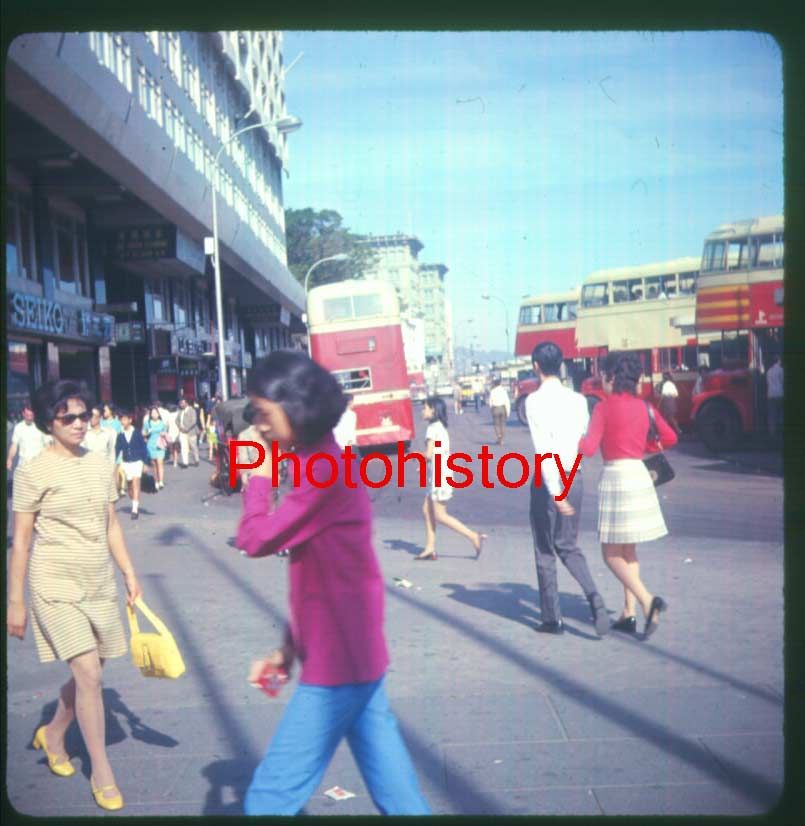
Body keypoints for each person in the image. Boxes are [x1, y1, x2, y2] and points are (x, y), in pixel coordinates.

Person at [235, 351, 431, 816]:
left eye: (264, 414)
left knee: (267, 801)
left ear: (296, 404)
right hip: (355, 655)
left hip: (338, 665)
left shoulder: (323, 471)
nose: (259, 426)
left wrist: (257, 475)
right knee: (400, 799)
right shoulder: (317, 462)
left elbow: (253, 538)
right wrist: (288, 647)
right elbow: (321, 576)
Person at [7, 380, 143, 811]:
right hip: (54, 584)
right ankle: (101, 771)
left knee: (91, 672)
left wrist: (128, 572)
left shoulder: (101, 461)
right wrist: (15, 601)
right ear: (50, 421)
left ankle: (52, 733)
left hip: (98, 581)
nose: (81, 424)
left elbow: (111, 525)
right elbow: (22, 541)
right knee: (89, 673)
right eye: (70, 417)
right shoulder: (32, 470)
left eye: (85, 415)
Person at [579, 351, 677, 638]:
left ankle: (648, 602)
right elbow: (670, 438)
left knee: (610, 553)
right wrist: (641, 449)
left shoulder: (603, 408)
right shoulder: (645, 407)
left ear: (610, 377)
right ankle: (628, 612)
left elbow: (587, 449)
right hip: (639, 475)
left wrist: (574, 438)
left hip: (617, 478)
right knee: (628, 550)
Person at [526, 342, 609, 637]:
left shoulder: (533, 402)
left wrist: (555, 492)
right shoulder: (577, 400)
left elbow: (544, 449)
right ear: (561, 364)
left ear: (536, 366)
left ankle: (552, 618)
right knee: (569, 544)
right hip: (574, 474)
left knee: (545, 547)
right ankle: (594, 598)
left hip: (549, 479)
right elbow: (581, 441)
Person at [415, 396, 486, 561]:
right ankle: (430, 548)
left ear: (433, 410)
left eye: (424, 407)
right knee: (427, 510)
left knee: (440, 515)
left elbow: (429, 454)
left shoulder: (432, 428)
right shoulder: (439, 427)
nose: (422, 410)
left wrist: (414, 456)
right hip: (441, 472)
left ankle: (473, 536)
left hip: (440, 475)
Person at [115, 410, 150, 520]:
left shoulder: (137, 433)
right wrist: (113, 462)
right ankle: (134, 501)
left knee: (136, 483)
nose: (123, 421)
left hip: (137, 461)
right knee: (130, 486)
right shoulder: (120, 435)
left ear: (130, 420)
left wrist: (145, 463)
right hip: (126, 462)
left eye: (125, 419)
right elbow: (117, 449)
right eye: (122, 419)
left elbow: (144, 448)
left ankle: (134, 510)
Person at [6, 403, 50, 474]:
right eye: (27, 415)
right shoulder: (18, 427)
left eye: (31, 415)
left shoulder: (41, 427)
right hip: (23, 464)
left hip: (39, 464)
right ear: (23, 414)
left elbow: (48, 445)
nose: (29, 418)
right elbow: (14, 445)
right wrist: (9, 459)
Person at [142, 407, 167, 490]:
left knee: (160, 463)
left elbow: (165, 432)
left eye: (155, 413)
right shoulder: (147, 423)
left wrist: (164, 433)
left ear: (158, 414)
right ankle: (156, 481)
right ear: (150, 415)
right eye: (152, 413)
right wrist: (146, 432)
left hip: (160, 445)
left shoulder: (162, 423)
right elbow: (143, 433)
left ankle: (161, 482)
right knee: (154, 464)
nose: (154, 415)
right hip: (151, 445)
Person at [177, 398, 200, 467]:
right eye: (180, 403)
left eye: (183, 403)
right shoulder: (180, 411)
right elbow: (176, 420)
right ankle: (185, 463)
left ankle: (196, 460)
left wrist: (187, 428)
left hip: (191, 432)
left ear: (186, 403)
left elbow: (194, 421)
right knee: (184, 447)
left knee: (193, 447)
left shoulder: (191, 410)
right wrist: (179, 427)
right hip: (182, 432)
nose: (181, 404)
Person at [488, 377, 511, 445]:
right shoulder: (503, 391)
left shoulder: (492, 391)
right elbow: (507, 401)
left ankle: (499, 437)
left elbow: (490, 402)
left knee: (496, 425)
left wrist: (491, 410)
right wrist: (508, 411)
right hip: (503, 408)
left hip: (495, 408)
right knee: (503, 424)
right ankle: (502, 439)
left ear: (494, 384)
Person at [766, 355, 783, 440]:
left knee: (772, 415)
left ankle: (772, 434)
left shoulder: (769, 371)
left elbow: (767, 383)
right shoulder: (781, 370)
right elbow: (783, 381)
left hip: (770, 394)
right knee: (781, 413)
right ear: (778, 361)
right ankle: (781, 431)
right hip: (779, 394)